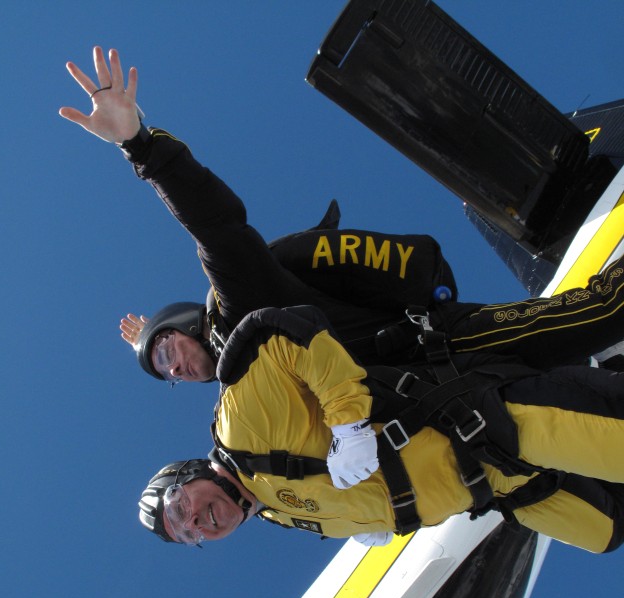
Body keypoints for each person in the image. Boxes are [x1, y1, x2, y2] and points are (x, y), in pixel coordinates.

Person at [60, 48, 624, 391]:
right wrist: (146, 345)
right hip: (451, 398)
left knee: (599, 317)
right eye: (166, 375)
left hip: (450, 349)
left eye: (167, 352)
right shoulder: (250, 400)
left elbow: (214, 225)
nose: (174, 370)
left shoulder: (239, 304)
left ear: (188, 322)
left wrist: (139, 145)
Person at [138, 303, 624, 555]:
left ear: (191, 474)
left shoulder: (239, 426)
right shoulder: (277, 513)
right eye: (189, 535)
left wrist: (349, 424)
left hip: (489, 428)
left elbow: (281, 333)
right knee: (605, 532)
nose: (197, 523)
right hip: (500, 488)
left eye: (182, 508)